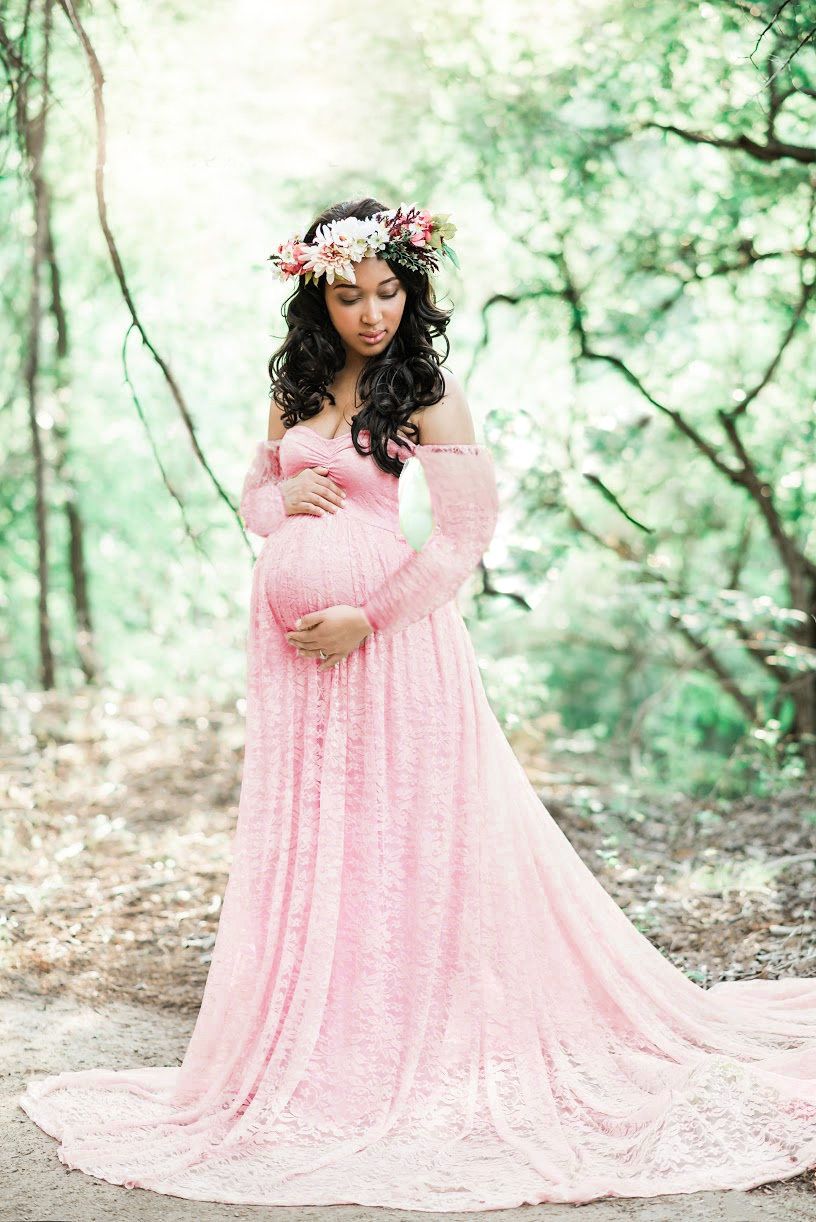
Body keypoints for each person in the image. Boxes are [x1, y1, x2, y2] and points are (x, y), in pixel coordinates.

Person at [19, 198, 816, 1210]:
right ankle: (325, 1030)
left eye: (388, 292)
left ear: (411, 287)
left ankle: (406, 1037)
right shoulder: (296, 385)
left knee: (400, 835)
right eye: (349, 296)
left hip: (393, 650)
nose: (371, 313)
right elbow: (256, 505)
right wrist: (282, 501)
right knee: (323, 838)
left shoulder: (427, 389)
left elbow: (462, 538)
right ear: (317, 298)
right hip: (295, 667)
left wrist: (367, 617)